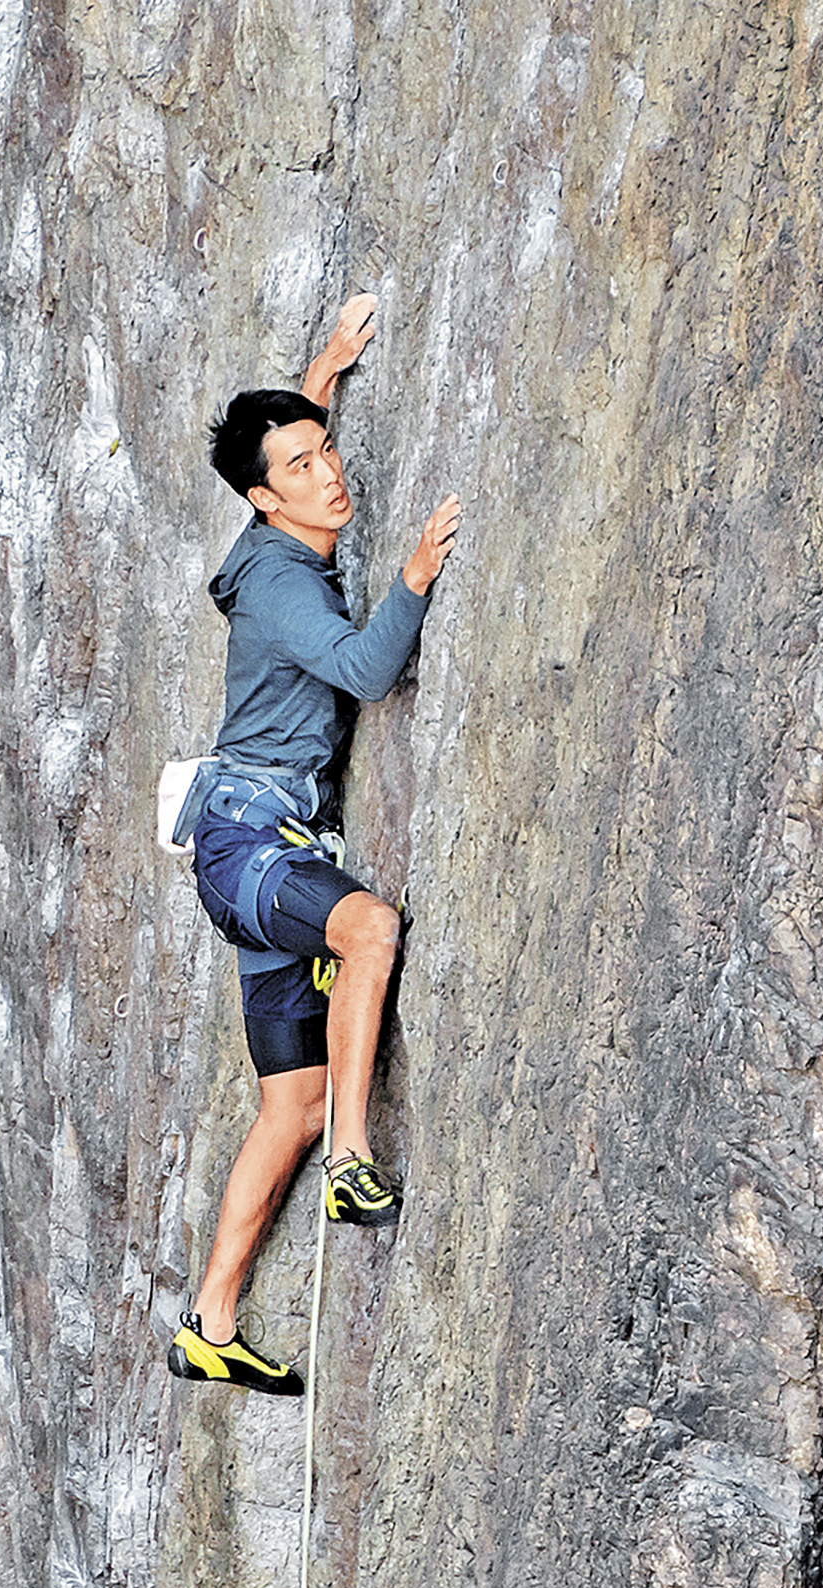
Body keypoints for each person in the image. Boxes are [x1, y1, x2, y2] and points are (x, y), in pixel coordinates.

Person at [166, 294, 462, 1394]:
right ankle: (352, 1155)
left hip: (244, 853)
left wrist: (325, 370)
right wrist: (417, 577)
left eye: (325, 449)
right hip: (255, 844)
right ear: (262, 498)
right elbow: (364, 670)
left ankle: (209, 1317)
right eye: (301, 465)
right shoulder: (284, 585)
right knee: (369, 925)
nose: (328, 471)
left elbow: (282, 439)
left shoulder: (267, 534)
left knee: (279, 1104)